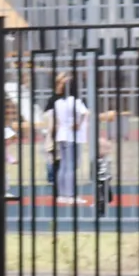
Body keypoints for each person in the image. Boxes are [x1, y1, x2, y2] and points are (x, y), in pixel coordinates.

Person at [51, 72, 89, 206]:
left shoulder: (58, 102)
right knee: (71, 166)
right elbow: (85, 113)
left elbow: (57, 121)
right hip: (73, 136)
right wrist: (78, 123)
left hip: (62, 134)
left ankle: (61, 194)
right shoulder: (76, 101)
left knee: (63, 165)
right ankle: (70, 194)